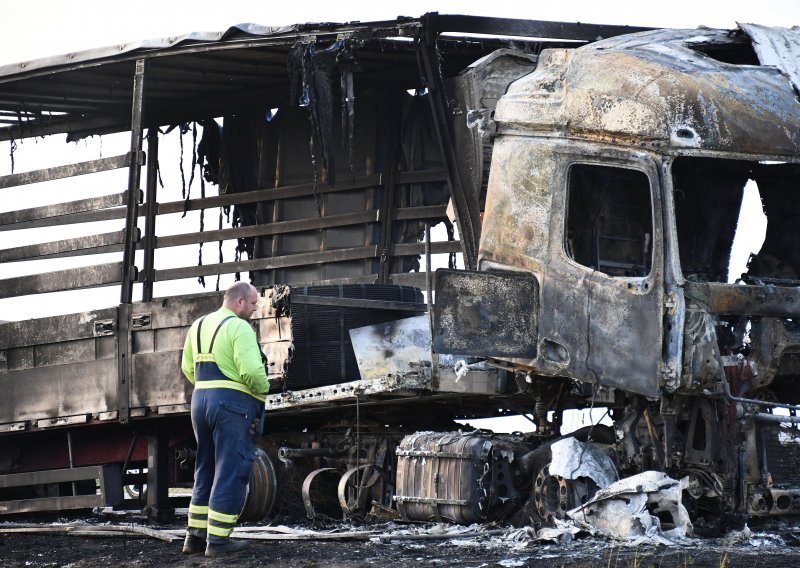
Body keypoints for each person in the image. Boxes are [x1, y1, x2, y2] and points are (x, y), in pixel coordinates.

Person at [180, 281, 269, 557]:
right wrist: (263, 390)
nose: (255, 309)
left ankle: (194, 538)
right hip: (230, 405)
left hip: (200, 401)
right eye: (253, 303)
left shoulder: (198, 325)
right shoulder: (239, 327)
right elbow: (252, 372)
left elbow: (187, 367)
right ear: (239, 302)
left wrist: (209, 389)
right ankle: (218, 542)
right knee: (231, 469)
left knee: (205, 467)